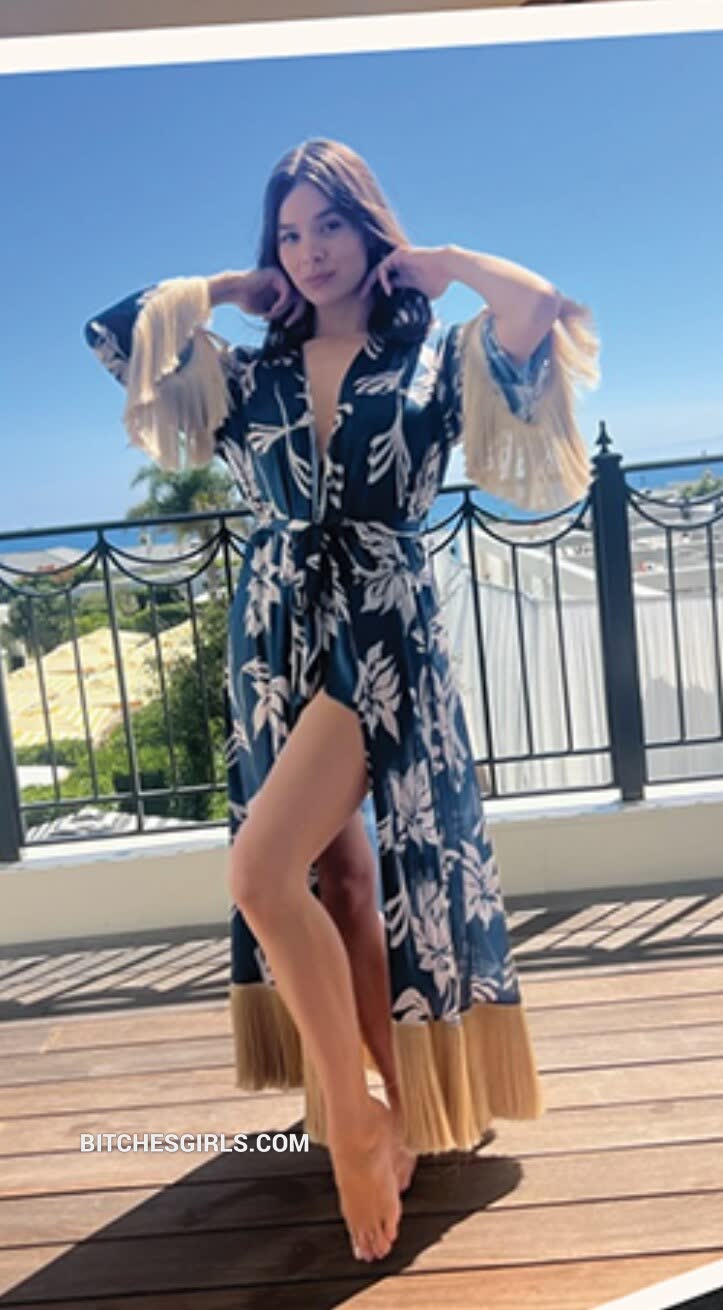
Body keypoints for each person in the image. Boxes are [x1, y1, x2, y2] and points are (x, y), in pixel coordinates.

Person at [84, 137, 600, 1264]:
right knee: (342, 881)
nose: (309, 251)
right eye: (288, 233)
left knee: (260, 874)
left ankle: (354, 1121)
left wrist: (443, 263)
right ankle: (396, 1102)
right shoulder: (249, 373)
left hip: (381, 629)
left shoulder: (432, 359)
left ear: (369, 230)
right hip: (275, 635)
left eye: (329, 225)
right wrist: (231, 287)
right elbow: (116, 334)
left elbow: (537, 308)